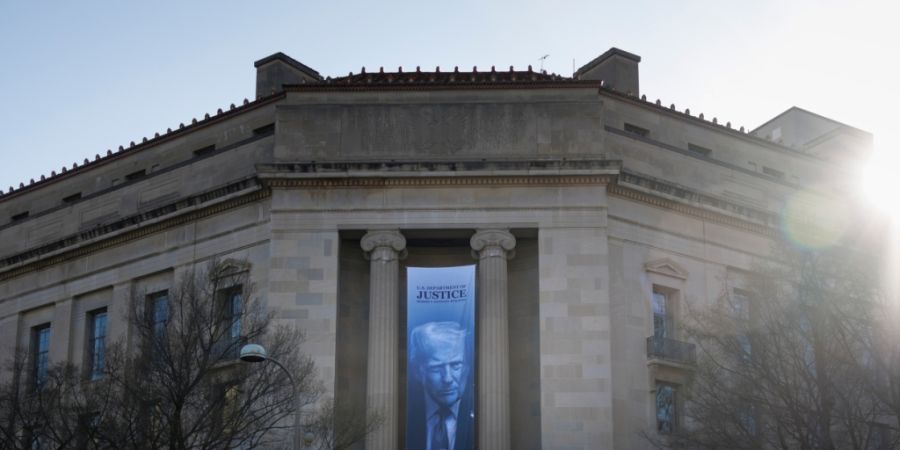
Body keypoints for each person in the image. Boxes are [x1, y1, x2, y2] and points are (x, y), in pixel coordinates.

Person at [407, 321, 474, 450]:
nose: (447, 379)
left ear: (467, 367)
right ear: (417, 372)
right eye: (436, 368)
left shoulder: (479, 415)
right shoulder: (407, 417)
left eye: (456, 365)